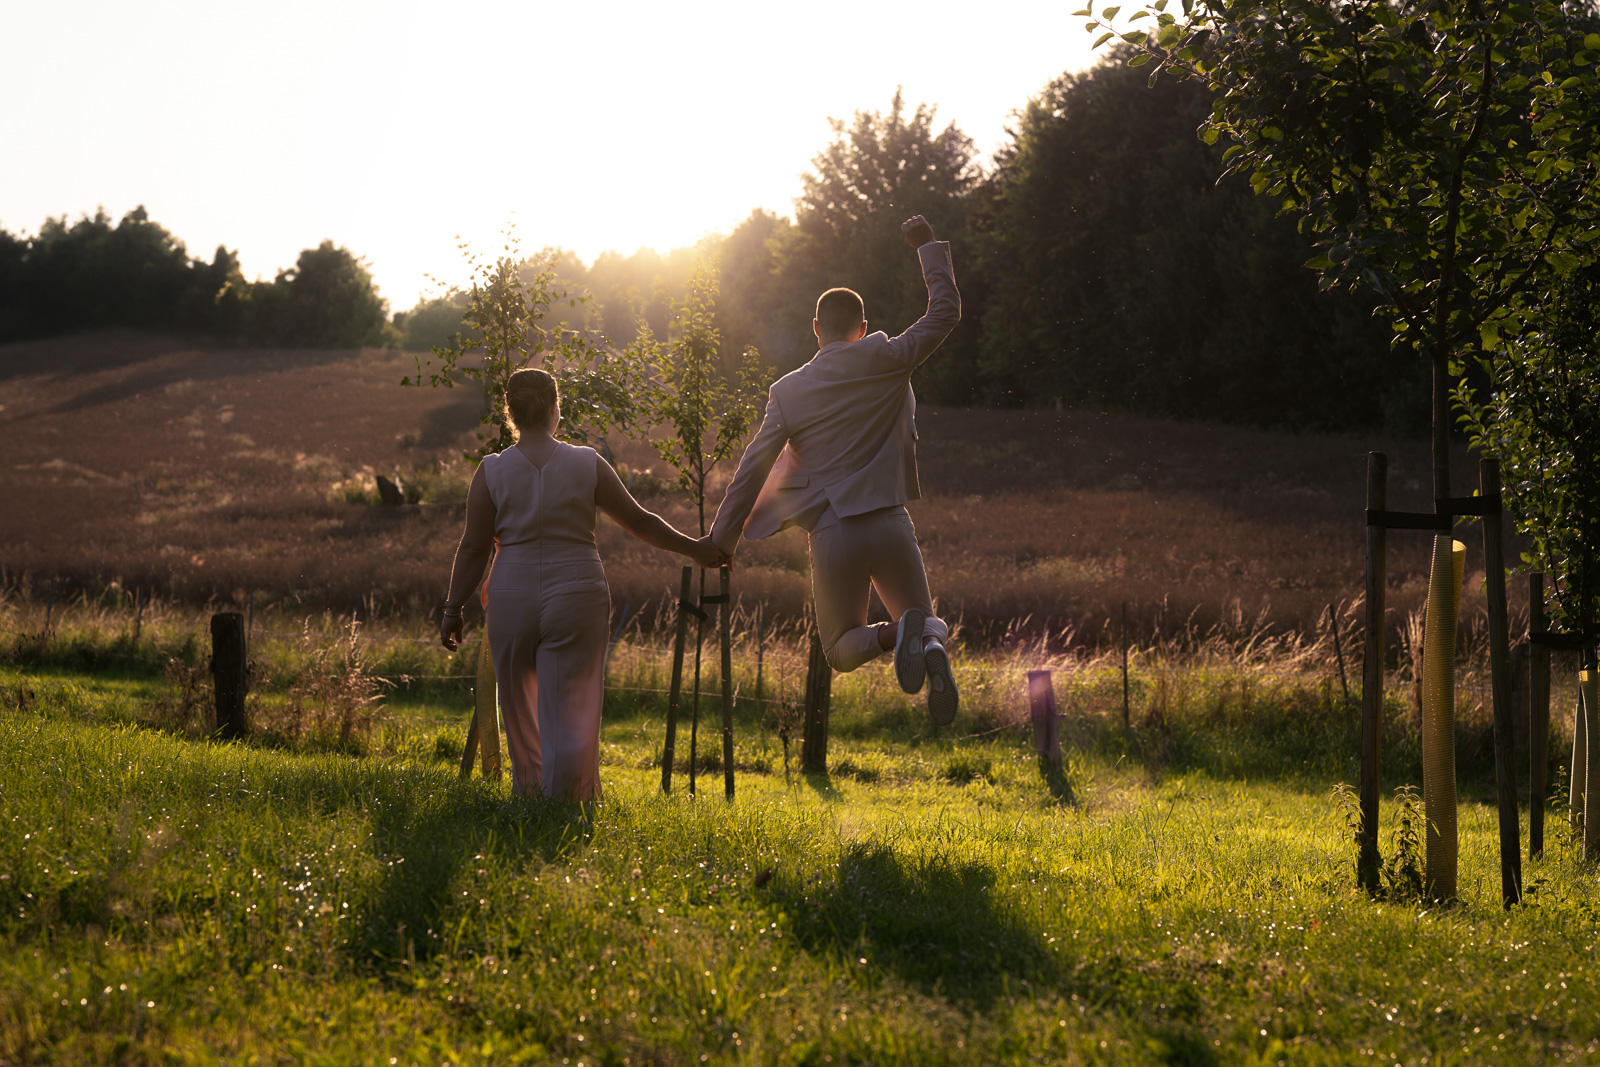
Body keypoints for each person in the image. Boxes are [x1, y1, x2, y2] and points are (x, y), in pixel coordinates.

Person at [708, 215, 961, 723]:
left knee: (841, 649)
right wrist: (927, 247)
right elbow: (944, 313)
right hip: (890, 522)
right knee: (928, 620)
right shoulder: (888, 358)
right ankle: (928, 647)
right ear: (862, 329)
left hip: (832, 531)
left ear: (816, 329)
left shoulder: (788, 392)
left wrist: (722, 539)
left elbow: (753, 467)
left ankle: (894, 635)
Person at [439, 368, 726, 800]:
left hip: (511, 594)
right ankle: (570, 802)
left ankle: (531, 799)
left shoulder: (491, 471)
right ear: (556, 409)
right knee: (572, 705)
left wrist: (453, 608)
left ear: (510, 412)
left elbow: (474, 548)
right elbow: (640, 522)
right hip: (577, 591)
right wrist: (696, 549)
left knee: (519, 710)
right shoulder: (586, 462)